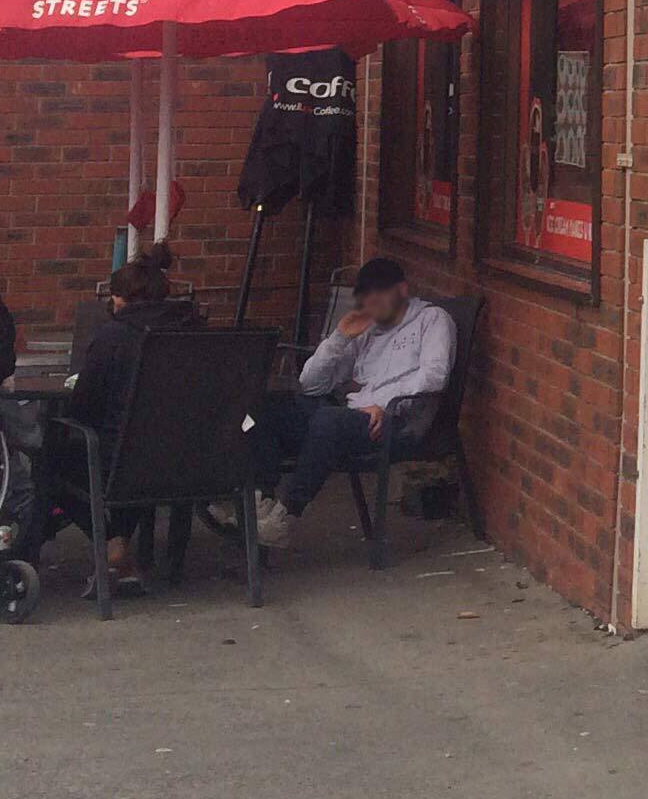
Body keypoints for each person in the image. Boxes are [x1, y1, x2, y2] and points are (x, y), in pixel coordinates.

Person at [253, 257, 454, 547]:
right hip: (354, 417)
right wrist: (339, 337)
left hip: (398, 421)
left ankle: (287, 515)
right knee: (267, 409)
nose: (375, 302)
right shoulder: (367, 330)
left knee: (328, 420)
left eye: (381, 293)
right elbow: (311, 385)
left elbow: (435, 376)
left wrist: (384, 404)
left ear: (402, 289)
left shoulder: (432, 320)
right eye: (368, 295)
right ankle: (261, 499)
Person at [56, 244, 204, 584]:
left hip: (126, 462)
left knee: (53, 462)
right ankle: (123, 545)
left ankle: (113, 542)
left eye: (114, 296)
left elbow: (84, 408)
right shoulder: (193, 330)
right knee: (135, 453)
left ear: (123, 299)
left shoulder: (114, 337)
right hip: (194, 461)